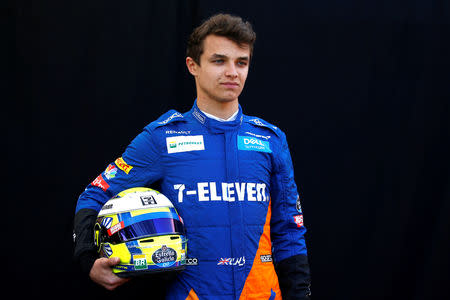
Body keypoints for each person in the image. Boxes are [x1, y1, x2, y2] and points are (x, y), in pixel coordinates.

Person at [74, 13, 311, 299]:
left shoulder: (271, 140)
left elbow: (290, 232)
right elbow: (94, 195)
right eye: (219, 61)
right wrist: (88, 259)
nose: (232, 72)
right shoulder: (161, 138)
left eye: (241, 62)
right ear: (193, 65)